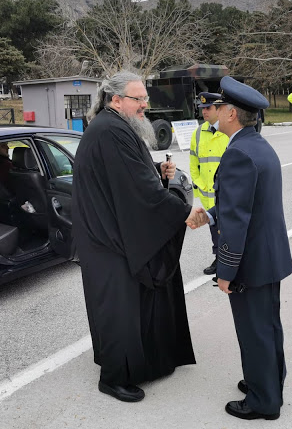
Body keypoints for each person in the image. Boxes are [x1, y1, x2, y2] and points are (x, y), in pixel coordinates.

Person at [70, 71, 198, 403]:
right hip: (106, 238)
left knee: (127, 305)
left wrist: (157, 172)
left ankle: (136, 363)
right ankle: (113, 378)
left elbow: (123, 177)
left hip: (109, 230)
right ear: (115, 99)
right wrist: (182, 212)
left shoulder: (112, 126)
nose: (144, 105)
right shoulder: (111, 130)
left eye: (145, 98)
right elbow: (136, 188)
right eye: (138, 99)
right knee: (118, 309)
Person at [192, 76, 292, 421]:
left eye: (217, 107)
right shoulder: (255, 144)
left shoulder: (237, 153)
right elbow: (243, 204)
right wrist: (208, 214)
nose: (213, 113)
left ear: (231, 113)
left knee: (254, 331)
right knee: (267, 326)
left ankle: (263, 401)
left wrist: (226, 271)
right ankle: (268, 382)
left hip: (251, 261)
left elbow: (236, 224)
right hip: (269, 256)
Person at [190, 92, 229, 275]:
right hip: (208, 195)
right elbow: (193, 163)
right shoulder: (198, 133)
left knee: (229, 229)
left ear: (218, 109)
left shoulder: (228, 131)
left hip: (227, 195)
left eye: (208, 108)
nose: (204, 112)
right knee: (214, 230)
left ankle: (231, 261)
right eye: (202, 108)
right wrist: (201, 185)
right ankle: (219, 259)